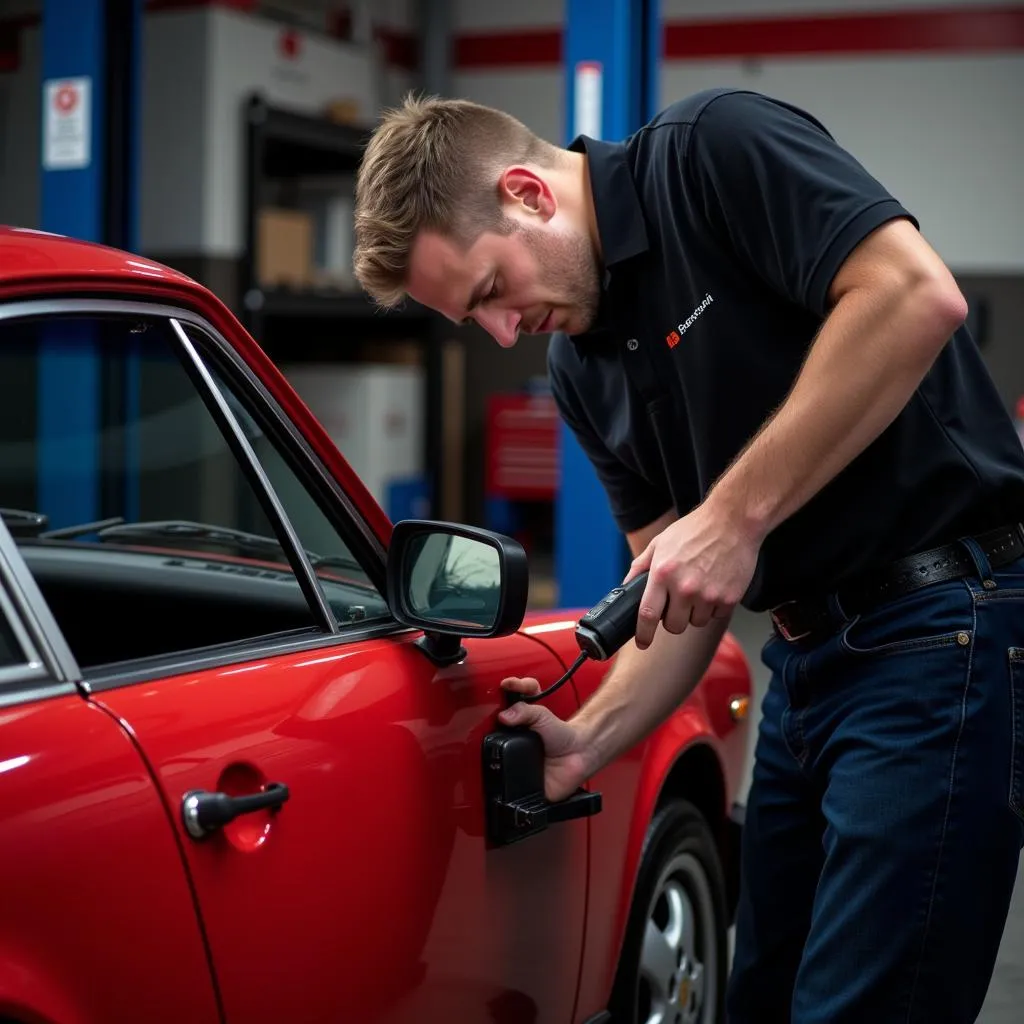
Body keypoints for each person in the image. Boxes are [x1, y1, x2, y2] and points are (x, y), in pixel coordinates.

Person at [352, 87, 1024, 1023]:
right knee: (761, 998)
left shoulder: (712, 154)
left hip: (941, 625)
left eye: (492, 292)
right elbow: (678, 599)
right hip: (806, 664)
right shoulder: (580, 368)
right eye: (477, 323)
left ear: (527, 194)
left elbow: (917, 295)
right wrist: (585, 739)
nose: (503, 331)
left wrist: (735, 517)